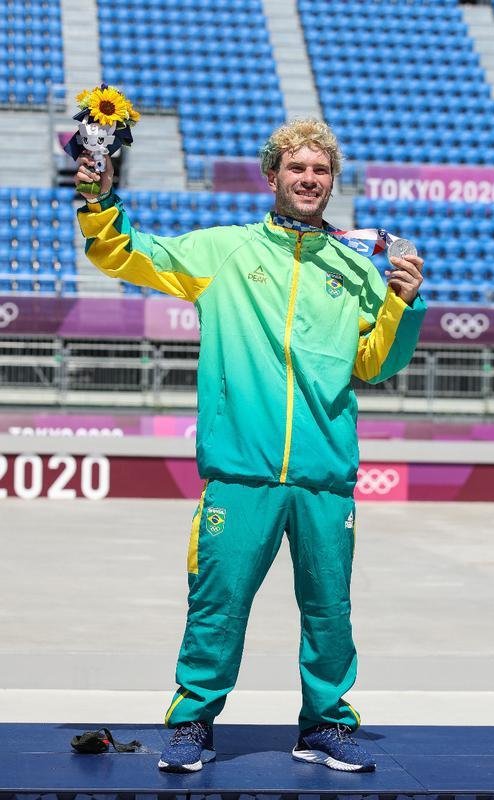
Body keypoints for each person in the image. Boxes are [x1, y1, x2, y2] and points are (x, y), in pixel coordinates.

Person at [75, 119, 425, 774]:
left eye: (319, 171)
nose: (308, 179)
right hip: (240, 472)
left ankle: (324, 725)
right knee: (219, 601)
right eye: (296, 169)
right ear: (273, 177)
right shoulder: (224, 252)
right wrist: (99, 203)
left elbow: (375, 364)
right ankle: (191, 722)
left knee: (330, 611)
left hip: (323, 475)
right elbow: (122, 253)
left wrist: (402, 304)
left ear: (330, 182)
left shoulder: (355, 267)